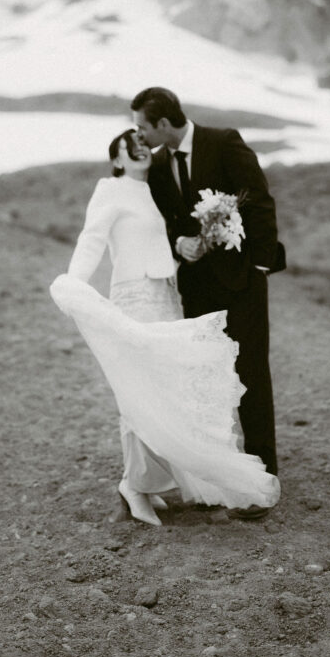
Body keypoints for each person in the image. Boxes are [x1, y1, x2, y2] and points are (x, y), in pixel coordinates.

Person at [49, 128, 280, 526]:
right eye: (130, 146)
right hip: (134, 295)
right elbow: (92, 238)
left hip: (165, 294)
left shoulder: (153, 190)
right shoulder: (111, 188)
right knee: (138, 388)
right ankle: (134, 486)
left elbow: (159, 240)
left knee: (166, 390)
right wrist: (74, 283)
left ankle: (147, 481)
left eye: (143, 143)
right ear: (118, 159)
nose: (141, 149)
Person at [130, 87, 284, 519]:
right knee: (209, 380)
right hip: (196, 288)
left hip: (243, 283)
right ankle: (224, 473)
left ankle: (264, 477)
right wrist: (179, 243)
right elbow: (161, 222)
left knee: (252, 373)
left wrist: (260, 268)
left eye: (143, 125)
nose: (138, 135)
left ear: (163, 123)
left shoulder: (223, 141)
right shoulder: (158, 165)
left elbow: (259, 200)